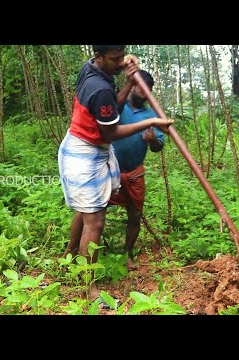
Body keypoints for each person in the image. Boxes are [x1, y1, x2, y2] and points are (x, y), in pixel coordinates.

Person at [58, 45, 174, 301]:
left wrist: (126, 67)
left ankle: (72, 259)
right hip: (86, 151)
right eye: (115, 59)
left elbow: (114, 103)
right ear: (99, 57)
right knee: (95, 219)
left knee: (93, 211)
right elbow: (109, 133)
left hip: (95, 151)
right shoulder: (99, 89)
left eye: (122, 56)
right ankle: (88, 288)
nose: (121, 62)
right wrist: (152, 123)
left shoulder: (93, 69)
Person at [108, 69, 164, 270]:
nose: (143, 91)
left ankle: (127, 254)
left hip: (134, 172)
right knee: (95, 210)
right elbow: (110, 110)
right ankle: (87, 253)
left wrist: (153, 140)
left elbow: (158, 147)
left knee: (134, 214)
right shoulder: (119, 105)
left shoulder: (152, 114)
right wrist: (130, 82)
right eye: (139, 86)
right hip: (108, 170)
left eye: (147, 89)